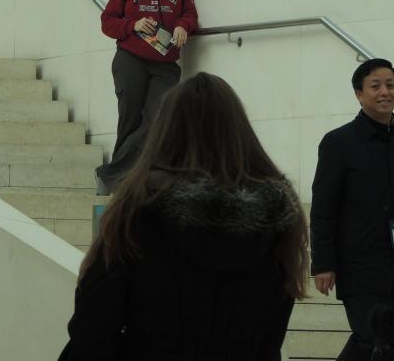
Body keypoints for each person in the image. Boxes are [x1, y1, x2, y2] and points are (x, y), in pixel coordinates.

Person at [60, 72, 309, 360]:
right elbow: (271, 336)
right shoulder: (278, 213)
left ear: (165, 130)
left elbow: (94, 327)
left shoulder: (140, 205)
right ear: (238, 129)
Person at [310, 58, 394, 361]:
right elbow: (323, 208)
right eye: (375, 86)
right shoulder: (338, 143)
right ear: (359, 94)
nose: (385, 91)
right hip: (361, 265)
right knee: (369, 338)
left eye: (390, 85)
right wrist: (323, 262)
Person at [95, 0, 197, 195]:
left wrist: (183, 26)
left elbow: (190, 13)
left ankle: (110, 175)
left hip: (165, 62)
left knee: (156, 119)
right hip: (131, 59)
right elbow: (107, 21)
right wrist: (133, 24)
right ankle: (123, 182)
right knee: (129, 118)